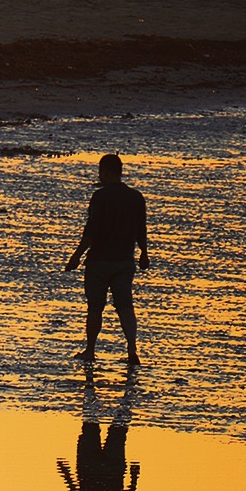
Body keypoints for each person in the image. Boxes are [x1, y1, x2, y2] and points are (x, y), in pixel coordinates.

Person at [65, 153, 149, 365]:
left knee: (95, 307)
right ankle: (132, 349)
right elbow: (141, 230)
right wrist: (144, 253)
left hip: (99, 262)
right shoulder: (136, 197)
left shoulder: (100, 197)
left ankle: (91, 349)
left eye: (101, 172)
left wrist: (76, 256)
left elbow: (90, 232)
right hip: (124, 261)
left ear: (106, 172)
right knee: (125, 305)